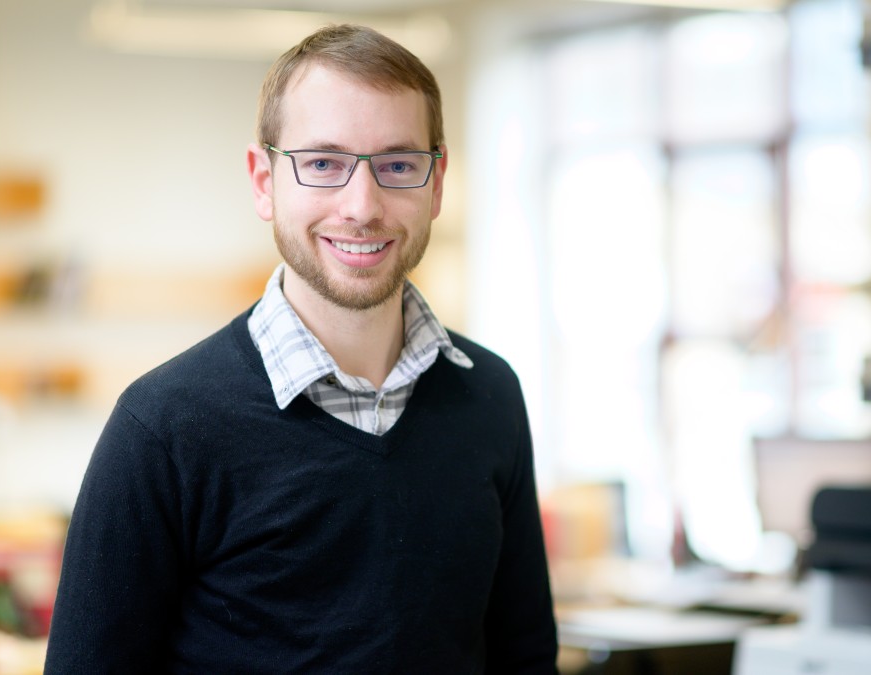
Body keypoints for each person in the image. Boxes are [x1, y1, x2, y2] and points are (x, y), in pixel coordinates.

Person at [43, 23, 559, 675]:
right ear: (263, 180)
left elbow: (526, 658)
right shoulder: (163, 427)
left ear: (437, 180)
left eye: (398, 164)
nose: (362, 205)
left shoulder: (490, 395)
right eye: (323, 164)